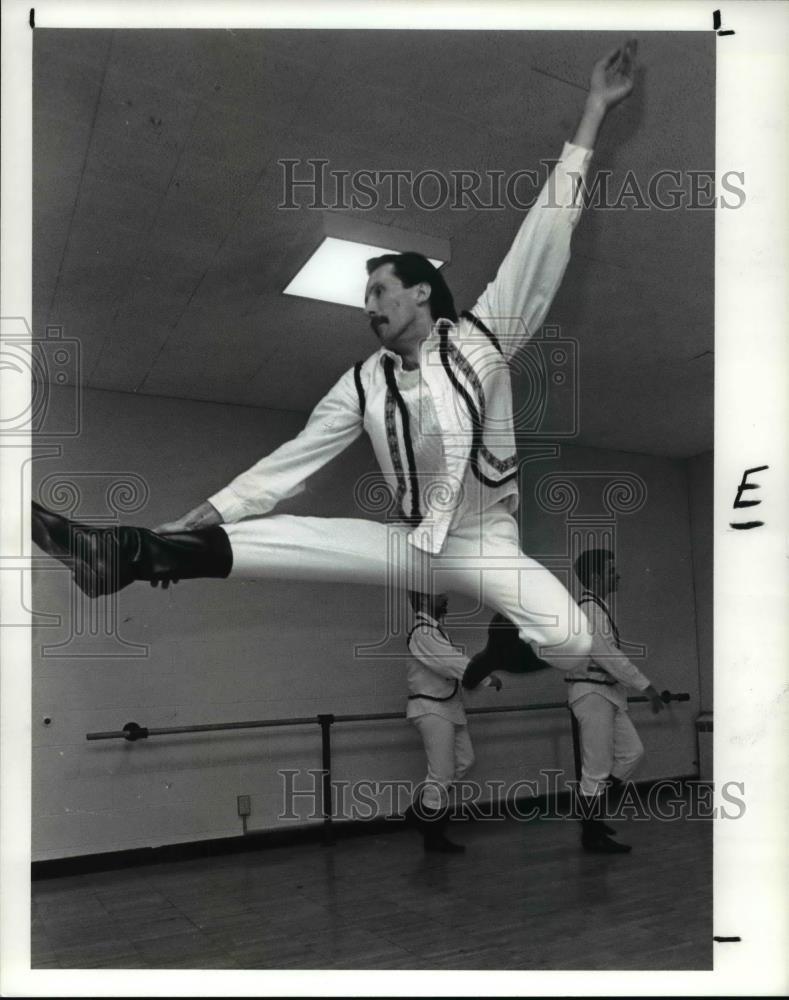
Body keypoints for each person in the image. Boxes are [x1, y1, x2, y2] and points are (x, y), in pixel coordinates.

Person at [32, 43, 639, 688]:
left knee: (572, 639)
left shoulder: (485, 335)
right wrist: (200, 516)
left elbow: (544, 236)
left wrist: (594, 111)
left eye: (380, 290)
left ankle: (500, 652)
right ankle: (121, 553)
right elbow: (289, 465)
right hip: (411, 543)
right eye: (365, 297)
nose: (370, 306)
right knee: (292, 537)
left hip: (485, 541)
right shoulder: (361, 383)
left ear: (421, 290)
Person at [567, 548, 665, 854]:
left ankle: (590, 817)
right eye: (612, 570)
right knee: (595, 769)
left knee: (632, 753)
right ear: (596, 577)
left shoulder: (598, 607)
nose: (617, 574)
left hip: (606, 693)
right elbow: (609, 656)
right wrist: (645, 686)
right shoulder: (589, 610)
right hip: (591, 692)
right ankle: (591, 833)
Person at [403, 591, 507, 853]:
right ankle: (432, 833)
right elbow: (450, 663)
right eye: (441, 596)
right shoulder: (422, 632)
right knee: (441, 773)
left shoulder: (434, 631)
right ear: (426, 600)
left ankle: (420, 811)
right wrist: (483, 676)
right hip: (431, 708)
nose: (446, 599)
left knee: (464, 761)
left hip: (448, 707)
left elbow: (450, 664)